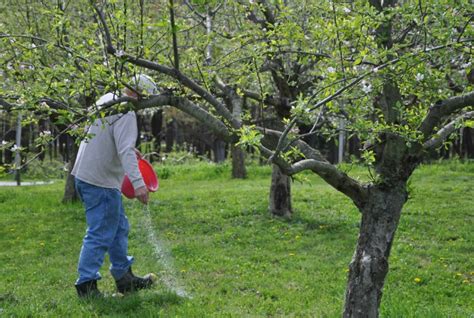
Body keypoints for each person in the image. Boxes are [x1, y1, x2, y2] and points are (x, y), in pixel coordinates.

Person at [72, 74, 158, 298]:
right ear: (139, 95)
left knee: (119, 228)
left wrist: (130, 150)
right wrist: (139, 185)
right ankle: (86, 286)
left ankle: (124, 278)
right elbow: (125, 150)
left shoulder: (108, 99)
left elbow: (110, 138)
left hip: (87, 175)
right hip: (99, 181)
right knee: (100, 233)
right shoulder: (126, 111)